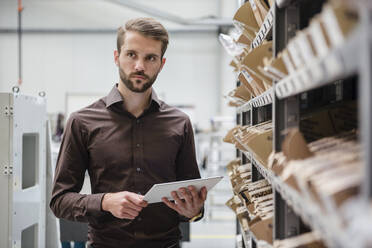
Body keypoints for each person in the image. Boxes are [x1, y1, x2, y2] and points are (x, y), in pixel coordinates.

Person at [50, 17, 207, 248]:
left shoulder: (180, 123)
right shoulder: (82, 122)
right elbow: (60, 201)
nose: (139, 66)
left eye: (150, 58)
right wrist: (105, 202)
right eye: (131, 54)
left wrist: (194, 211)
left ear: (161, 64)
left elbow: (190, 202)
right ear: (117, 57)